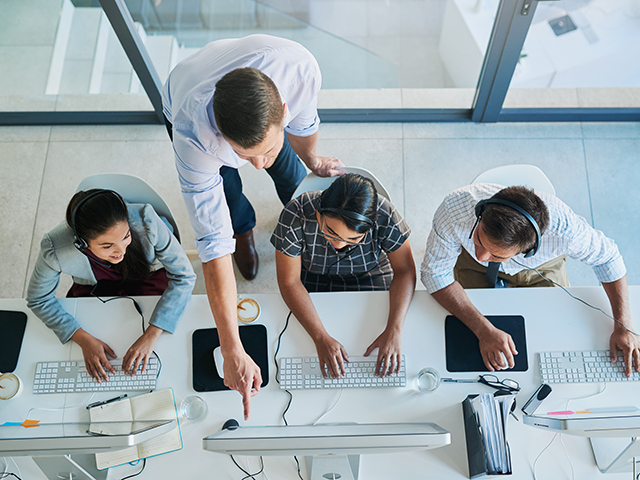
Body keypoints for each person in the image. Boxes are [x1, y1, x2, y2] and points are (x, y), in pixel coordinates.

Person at [162, 34, 343, 418]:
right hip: (184, 88)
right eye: (247, 156)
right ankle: (245, 229)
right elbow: (212, 244)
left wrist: (310, 159)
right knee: (227, 193)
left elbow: (305, 121)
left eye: (265, 151)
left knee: (292, 174)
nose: (257, 165)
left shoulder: (299, 69)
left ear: (282, 108)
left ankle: (298, 223)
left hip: (261, 89)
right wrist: (232, 348)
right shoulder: (193, 136)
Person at [421, 183, 640, 375]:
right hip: (470, 266)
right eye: (479, 238)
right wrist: (483, 329)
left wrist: (624, 325)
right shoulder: (455, 209)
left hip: (540, 268)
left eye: (497, 254)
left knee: (555, 332)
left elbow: (608, 258)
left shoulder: (566, 231)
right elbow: (435, 274)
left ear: (528, 249)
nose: (483, 256)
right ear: (480, 215)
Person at [27, 189, 196, 382]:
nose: (120, 251)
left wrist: (151, 334)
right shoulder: (55, 248)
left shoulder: (146, 220)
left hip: (148, 275)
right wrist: (82, 339)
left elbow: (184, 276)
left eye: (126, 236)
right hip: (97, 284)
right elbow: (38, 298)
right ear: (82, 242)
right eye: (107, 246)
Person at [271, 174, 416, 378]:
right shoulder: (296, 213)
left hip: (370, 273)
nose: (339, 244)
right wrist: (320, 337)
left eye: (353, 239)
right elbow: (289, 280)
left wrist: (395, 329)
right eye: (331, 232)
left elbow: (405, 270)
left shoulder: (385, 213)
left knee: (372, 331)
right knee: (302, 342)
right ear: (318, 213)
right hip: (314, 275)